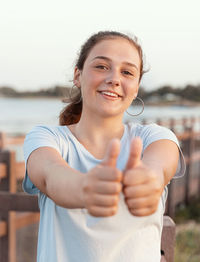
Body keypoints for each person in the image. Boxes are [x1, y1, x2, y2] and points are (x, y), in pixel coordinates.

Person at [23, 31, 185, 262]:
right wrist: (85, 187)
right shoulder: (46, 137)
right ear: (77, 75)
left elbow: (159, 167)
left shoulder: (154, 136)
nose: (114, 79)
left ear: (137, 87)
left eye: (127, 72)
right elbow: (51, 175)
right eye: (101, 66)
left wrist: (149, 180)